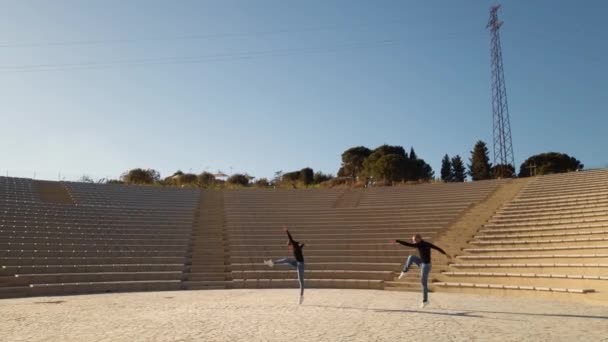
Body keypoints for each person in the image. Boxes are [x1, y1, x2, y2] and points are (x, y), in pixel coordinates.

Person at [393, 234, 450, 308]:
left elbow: (437, 248)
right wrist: (398, 241)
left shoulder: (424, 244)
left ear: (419, 238)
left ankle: (425, 300)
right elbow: (409, 244)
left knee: (423, 282)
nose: (414, 242)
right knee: (411, 257)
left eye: (415, 240)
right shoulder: (418, 244)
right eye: (413, 240)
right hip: (421, 262)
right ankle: (404, 271)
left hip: (426, 266)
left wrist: (445, 254)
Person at [264, 227, 306, 304]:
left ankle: (301, 296)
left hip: (301, 264)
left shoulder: (295, 246)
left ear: (291, 244)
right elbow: (300, 246)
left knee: (301, 280)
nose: (289, 248)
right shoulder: (296, 247)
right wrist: (302, 245)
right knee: (286, 259)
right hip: (297, 262)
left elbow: (290, 238)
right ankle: (272, 263)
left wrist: (286, 231)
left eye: (289, 246)